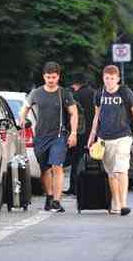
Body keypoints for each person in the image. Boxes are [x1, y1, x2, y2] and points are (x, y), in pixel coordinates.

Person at [87, 65, 133, 216]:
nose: (109, 81)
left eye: (112, 78)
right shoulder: (99, 93)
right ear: (103, 78)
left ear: (118, 79)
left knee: (121, 169)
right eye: (107, 78)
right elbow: (97, 116)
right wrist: (92, 136)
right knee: (111, 174)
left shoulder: (125, 92)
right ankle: (116, 202)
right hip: (103, 138)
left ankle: (123, 204)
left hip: (123, 136)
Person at [19, 62, 78, 212]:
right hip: (41, 136)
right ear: (43, 76)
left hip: (59, 136)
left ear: (58, 77)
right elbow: (24, 109)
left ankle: (57, 201)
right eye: (48, 77)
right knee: (44, 170)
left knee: (57, 166)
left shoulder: (64, 93)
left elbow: (73, 113)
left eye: (53, 77)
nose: (51, 80)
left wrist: (73, 133)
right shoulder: (36, 93)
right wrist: (22, 122)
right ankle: (49, 196)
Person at [64, 73, 96, 195]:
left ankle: (75, 188)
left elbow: (69, 114)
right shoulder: (94, 94)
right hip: (92, 132)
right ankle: (90, 188)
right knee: (92, 161)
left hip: (78, 132)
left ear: (75, 84)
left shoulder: (74, 96)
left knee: (76, 160)